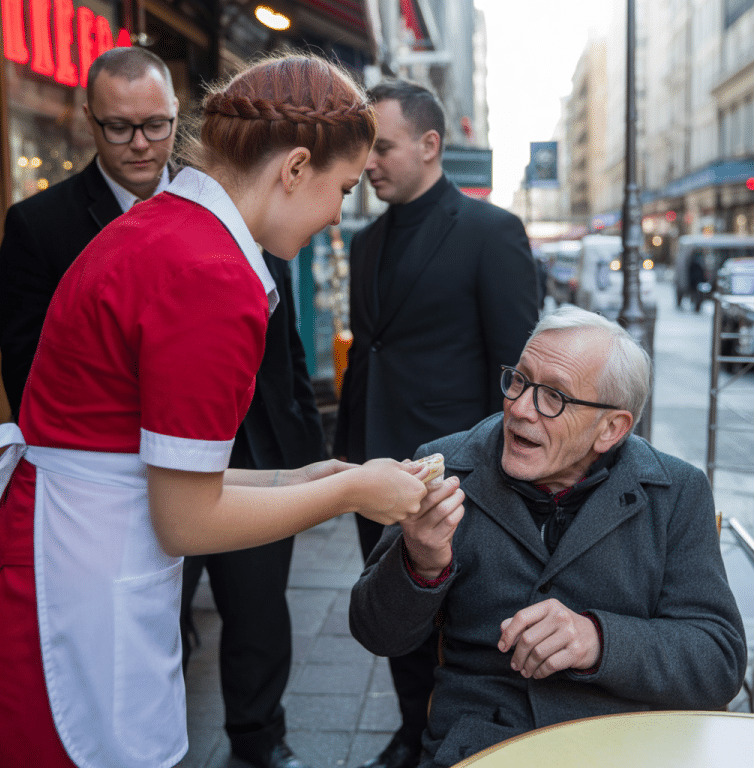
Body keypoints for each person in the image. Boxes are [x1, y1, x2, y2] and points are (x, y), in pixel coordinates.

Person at [0, 54, 442, 768]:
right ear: (294, 168)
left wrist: (309, 476)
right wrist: (349, 492)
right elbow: (186, 517)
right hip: (84, 570)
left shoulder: (168, 229)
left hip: (65, 539)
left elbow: (170, 476)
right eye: (342, 190)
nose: (335, 217)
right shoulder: (210, 271)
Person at [349, 306, 747, 768]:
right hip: (487, 743)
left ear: (611, 428)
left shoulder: (675, 492)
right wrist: (420, 562)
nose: (519, 409)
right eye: (519, 380)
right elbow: (375, 632)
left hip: (629, 741)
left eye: (553, 397)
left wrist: (597, 639)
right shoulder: (444, 468)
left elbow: (718, 660)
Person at [333, 79, 539, 768]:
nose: (368, 164)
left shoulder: (492, 231)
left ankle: (446, 735)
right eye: (365, 149)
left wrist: (503, 476)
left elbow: (517, 367)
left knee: (459, 619)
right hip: (371, 463)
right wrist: (348, 456)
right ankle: (407, 727)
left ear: (430, 144)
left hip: (453, 473)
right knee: (388, 609)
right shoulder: (364, 242)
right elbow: (371, 351)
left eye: (382, 147)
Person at [180, 250, 325, 768]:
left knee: (259, 609)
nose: (333, 214)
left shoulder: (269, 247)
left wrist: (310, 459)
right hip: (164, 459)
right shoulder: (149, 242)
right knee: (161, 612)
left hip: (261, 448)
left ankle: (259, 738)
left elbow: (290, 360)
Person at [0, 46, 179, 420]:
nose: (140, 144)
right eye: (119, 128)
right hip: (96, 463)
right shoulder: (37, 226)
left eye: (156, 125)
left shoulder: (216, 201)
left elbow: (280, 356)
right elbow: (29, 381)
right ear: (89, 119)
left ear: (176, 109)